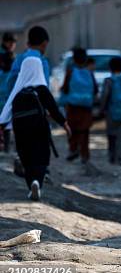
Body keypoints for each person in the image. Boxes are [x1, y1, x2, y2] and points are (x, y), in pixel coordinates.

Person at [0, 57, 71, 201]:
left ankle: (31, 183)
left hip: (21, 131)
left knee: (27, 159)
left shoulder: (18, 91)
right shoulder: (41, 90)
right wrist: (65, 125)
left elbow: (6, 112)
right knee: (42, 157)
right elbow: (54, 109)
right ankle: (37, 182)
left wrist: (2, 127)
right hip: (40, 128)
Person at [62, 48, 97, 164]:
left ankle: (73, 149)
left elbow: (65, 88)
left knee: (72, 128)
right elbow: (95, 89)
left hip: (72, 106)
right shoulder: (89, 73)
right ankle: (84, 154)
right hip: (86, 107)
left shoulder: (70, 72)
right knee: (85, 130)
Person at [100, 57, 121, 165]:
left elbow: (105, 96)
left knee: (112, 136)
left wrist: (102, 109)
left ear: (110, 68)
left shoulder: (109, 80)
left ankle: (112, 157)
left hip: (112, 112)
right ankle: (120, 158)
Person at [7, 26, 51, 91]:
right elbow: (45, 88)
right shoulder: (42, 62)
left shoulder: (19, 59)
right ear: (44, 44)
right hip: (36, 100)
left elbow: (10, 83)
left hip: (18, 99)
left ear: (28, 44)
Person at [0, 33, 16, 153]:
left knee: (5, 122)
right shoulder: (4, 55)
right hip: (3, 93)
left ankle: (5, 148)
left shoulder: (9, 55)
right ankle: (4, 149)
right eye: (11, 42)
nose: (12, 45)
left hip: (6, 94)